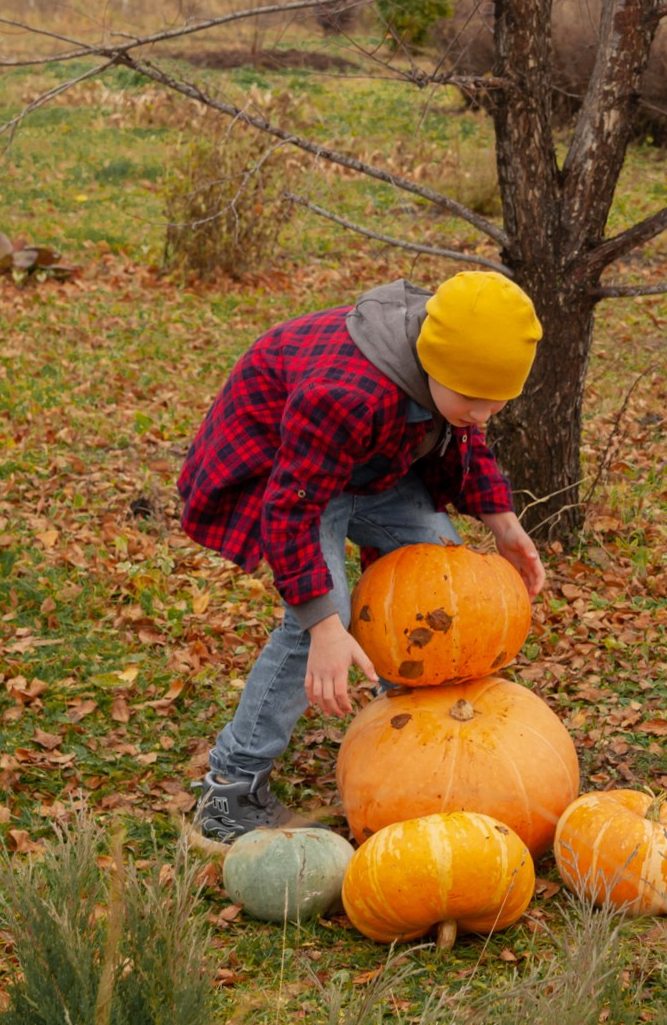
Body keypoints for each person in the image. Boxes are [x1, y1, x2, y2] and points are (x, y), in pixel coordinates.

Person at [176, 272, 548, 847]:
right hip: (287, 470)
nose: (484, 413)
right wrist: (326, 624)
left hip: (370, 461)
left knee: (441, 573)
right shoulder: (346, 394)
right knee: (314, 625)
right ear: (432, 365)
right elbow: (291, 508)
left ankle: (406, 728)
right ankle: (231, 783)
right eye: (472, 399)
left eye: (497, 401)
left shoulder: (453, 375)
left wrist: (504, 522)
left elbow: (463, 443)